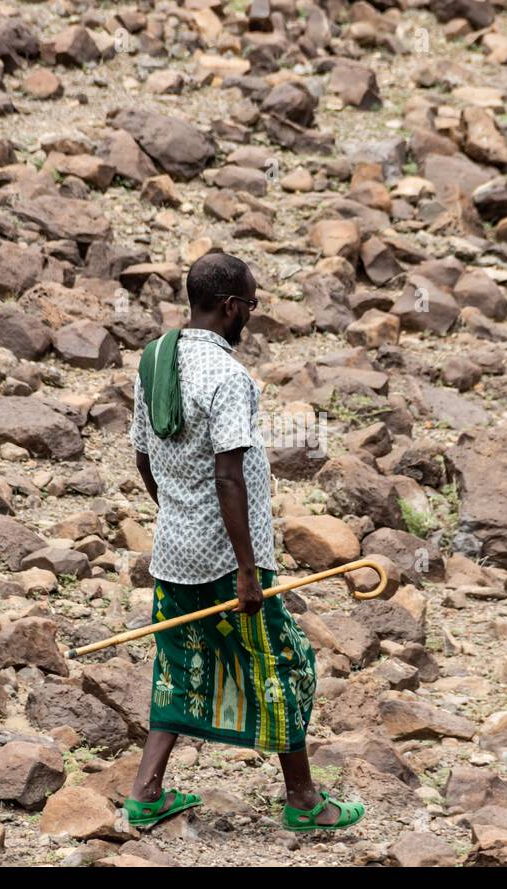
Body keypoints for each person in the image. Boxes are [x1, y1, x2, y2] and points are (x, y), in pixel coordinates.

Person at [122, 251, 365, 833]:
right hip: (228, 562)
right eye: (249, 306)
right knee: (286, 664)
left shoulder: (156, 358)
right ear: (230, 306)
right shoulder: (229, 377)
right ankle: (304, 800)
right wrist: (248, 570)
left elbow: (140, 453)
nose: (249, 318)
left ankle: (145, 793)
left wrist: (174, 510)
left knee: (178, 666)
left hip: (173, 556)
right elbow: (229, 475)